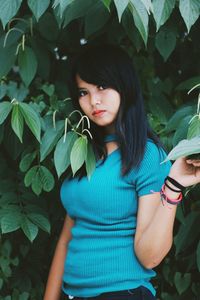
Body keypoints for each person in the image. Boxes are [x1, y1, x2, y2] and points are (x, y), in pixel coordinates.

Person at [43, 44, 200, 300]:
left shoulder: (146, 155)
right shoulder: (82, 152)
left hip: (121, 292)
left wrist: (174, 185)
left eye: (102, 87)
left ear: (124, 85)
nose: (94, 101)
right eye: (84, 92)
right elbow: (66, 238)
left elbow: (149, 257)